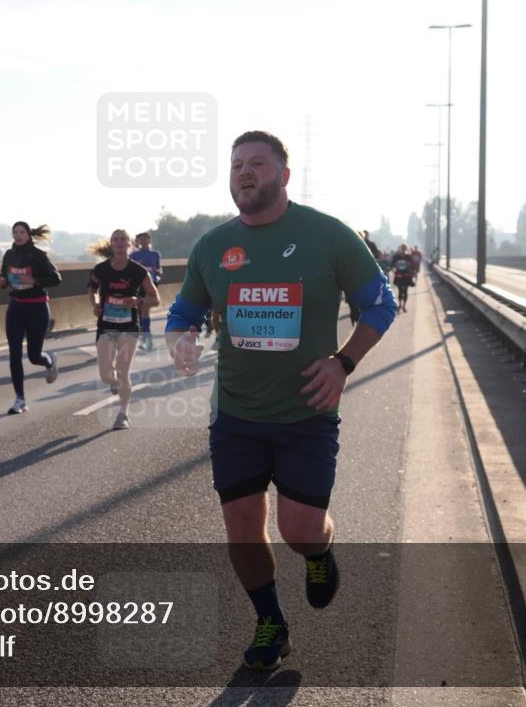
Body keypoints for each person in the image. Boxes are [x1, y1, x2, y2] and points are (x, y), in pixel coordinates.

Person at [166, 132, 396, 671]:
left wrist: (343, 362)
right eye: (236, 165)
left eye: (257, 164)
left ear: (284, 176)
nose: (244, 172)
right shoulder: (211, 247)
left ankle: (320, 552)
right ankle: (270, 622)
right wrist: (180, 339)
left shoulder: (329, 235)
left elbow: (380, 304)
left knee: (300, 530)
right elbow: (183, 312)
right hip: (235, 414)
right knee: (243, 528)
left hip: (306, 413)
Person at [88, 229, 160, 430]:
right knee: (105, 375)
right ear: (111, 244)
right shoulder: (101, 269)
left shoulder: (138, 271)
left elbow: (155, 298)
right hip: (106, 325)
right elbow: (92, 289)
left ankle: (123, 414)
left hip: (129, 326)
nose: (119, 243)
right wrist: (95, 305)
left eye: (123, 240)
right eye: (115, 240)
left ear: (129, 244)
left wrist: (138, 300)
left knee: (122, 370)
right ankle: (113, 382)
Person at [0, 221, 61, 414]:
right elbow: (5, 277)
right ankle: (20, 399)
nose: (18, 235)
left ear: (28, 235)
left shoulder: (38, 256)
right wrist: (2, 282)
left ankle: (49, 361)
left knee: (34, 356)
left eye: (22, 232)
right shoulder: (9, 255)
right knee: (14, 353)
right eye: (15, 232)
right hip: (16, 307)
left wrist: (35, 280)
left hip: (37, 307)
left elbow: (56, 278)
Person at [129, 232, 163, 351]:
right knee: (140, 313)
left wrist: (157, 274)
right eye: (140, 239)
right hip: (138, 286)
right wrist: (139, 266)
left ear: (149, 240)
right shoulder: (133, 255)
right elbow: (129, 270)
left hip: (150, 284)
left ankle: (146, 340)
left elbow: (159, 269)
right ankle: (147, 340)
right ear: (137, 242)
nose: (143, 241)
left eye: (145, 239)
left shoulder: (155, 254)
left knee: (144, 310)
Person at [390, 243, 416, 313]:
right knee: (400, 291)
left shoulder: (408, 256)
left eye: (404, 248)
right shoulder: (397, 256)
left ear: (406, 249)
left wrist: (411, 272)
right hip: (399, 275)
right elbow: (392, 264)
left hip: (406, 275)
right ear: (400, 249)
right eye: (402, 248)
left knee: (405, 291)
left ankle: (404, 305)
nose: (403, 249)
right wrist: (393, 270)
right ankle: (400, 305)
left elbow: (413, 266)